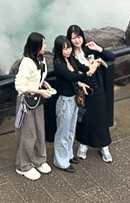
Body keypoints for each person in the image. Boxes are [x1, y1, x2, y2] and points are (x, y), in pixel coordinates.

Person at [67, 23, 116, 162]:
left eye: (79, 37)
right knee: (84, 118)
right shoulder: (70, 56)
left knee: (101, 118)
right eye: (73, 38)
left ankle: (104, 146)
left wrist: (98, 49)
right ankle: (83, 144)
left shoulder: (89, 50)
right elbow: (69, 75)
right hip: (83, 93)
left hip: (98, 88)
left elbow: (111, 57)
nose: (77, 40)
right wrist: (78, 83)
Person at [50, 34, 99, 173]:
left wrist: (92, 65)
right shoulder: (58, 65)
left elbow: (81, 68)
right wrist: (88, 73)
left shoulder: (70, 59)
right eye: (64, 48)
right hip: (64, 101)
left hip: (74, 99)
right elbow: (72, 76)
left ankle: (68, 155)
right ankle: (60, 161)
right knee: (62, 132)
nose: (67, 51)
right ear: (59, 50)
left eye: (69, 47)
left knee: (71, 130)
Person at [13, 31, 52, 181]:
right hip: (27, 101)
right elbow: (19, 85)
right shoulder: (27, 63)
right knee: (28, 134)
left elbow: (37, 77)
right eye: (43, 44)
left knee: (39, 131)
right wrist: (40, 91)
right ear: (36, 46)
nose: (45, 46)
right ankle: (23, 166)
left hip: (37, 99)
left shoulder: (40, 58)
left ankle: (38, 159)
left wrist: (44, 84)